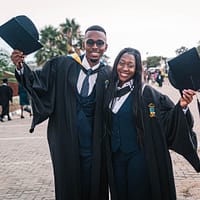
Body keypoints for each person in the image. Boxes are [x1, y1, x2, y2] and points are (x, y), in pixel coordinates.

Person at [11, 25, 111, 200]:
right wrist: (20, 66)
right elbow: (38, 83)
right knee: (68, 185)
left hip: (96, 145)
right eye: (90, 42)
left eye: (99, 43)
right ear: (84, 44)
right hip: (66, 140)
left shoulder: (110, 74)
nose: (95, 46)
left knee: (94, 185)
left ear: (105, 47)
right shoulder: (63, 65)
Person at [103, 47, 200, 200]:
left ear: (136, 69)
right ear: (116, 65)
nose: (125, 68)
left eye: (130, 65)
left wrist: (182, 106)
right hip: (116, 158)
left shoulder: (146, 93)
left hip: (138, 158)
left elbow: (165, 120)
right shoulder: (108, 91)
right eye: (122, 63)